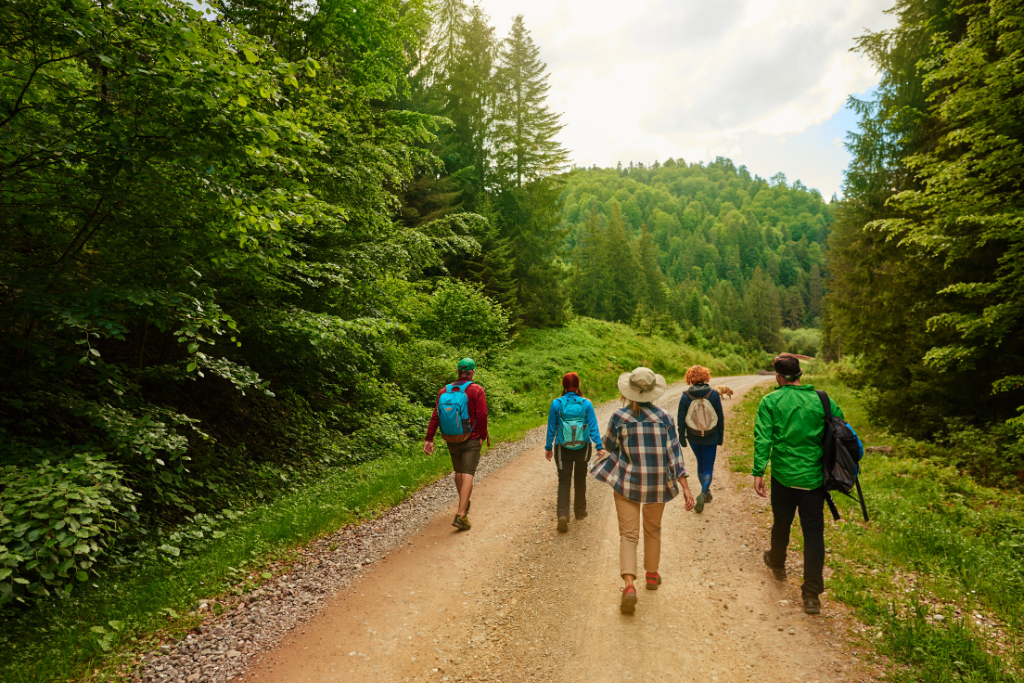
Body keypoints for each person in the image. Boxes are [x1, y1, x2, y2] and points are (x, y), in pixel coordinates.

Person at [591, 366, 695, 614]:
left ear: (628, 392)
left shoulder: (619, 417)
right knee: (653, 529)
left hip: (627, 483)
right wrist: (686, 486)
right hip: (658, 484)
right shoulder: (665, 418)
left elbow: (608, 447)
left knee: (628, 535)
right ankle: (651, 575)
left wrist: (602, 459)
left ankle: (629, 585)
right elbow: (674, 455)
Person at [752, 353, 844, 615]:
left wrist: (758, 471)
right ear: (800, 373)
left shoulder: (770, 401)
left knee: (782, 521)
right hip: (813, 479)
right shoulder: (822, 400)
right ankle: (811, 594)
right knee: (814, 533)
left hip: (783, 476)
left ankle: (777, 562)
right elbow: (840, 426)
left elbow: (763, 439)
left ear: (778, 377)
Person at [424, 358, 488, 531]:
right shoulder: (476, 390)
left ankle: (463, 503)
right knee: (468, 473)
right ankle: (461, 515)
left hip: (451, 437)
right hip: (471, 438)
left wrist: (429, 438)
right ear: (472, 372)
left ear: (458, 371)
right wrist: (482, 436)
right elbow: (482, 415)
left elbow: (436, 415)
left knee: (458, 471)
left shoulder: (444, 390)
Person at [545, 372, 605, 533]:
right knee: (580, 478)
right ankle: (580, 511)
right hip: (582, 448)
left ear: (563, 386)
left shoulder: (557, 404)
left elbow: (551, 427)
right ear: (578, 385)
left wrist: (548, 447)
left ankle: (563, 514)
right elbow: (593, 427)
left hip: (561, 447)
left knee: (564, 481)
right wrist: (599, 446)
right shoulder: (586, 404)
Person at [676, 365, 725, 514]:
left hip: (693, 435)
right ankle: (704, 493)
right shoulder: (714, 394)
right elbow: (720, 418)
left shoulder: (686, 395)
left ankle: (706, 492)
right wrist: (720, 437)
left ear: (689, 377)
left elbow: (681, 419)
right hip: (711, 434)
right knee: (708, 466)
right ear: (706, 376)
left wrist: (682, 436)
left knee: (701, 463)